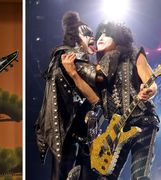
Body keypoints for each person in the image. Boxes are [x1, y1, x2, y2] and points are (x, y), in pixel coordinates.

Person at [35, 11, 101, 180]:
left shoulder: (76, 59)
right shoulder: (68, 54)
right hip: (68, 135)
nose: (92, 37)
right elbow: (100, 81)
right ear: (75, 37)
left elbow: (95, 99)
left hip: (83, 135)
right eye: (86, 33)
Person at [94, 21, 159, 179]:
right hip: (115, 130)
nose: (101, 38)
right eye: (99, 35)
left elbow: (152, 83)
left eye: (107, 34)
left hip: (142, 120)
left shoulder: (133, 54)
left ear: (117, 37)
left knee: (140, 176)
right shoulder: (98, 68)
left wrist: (149, 90)